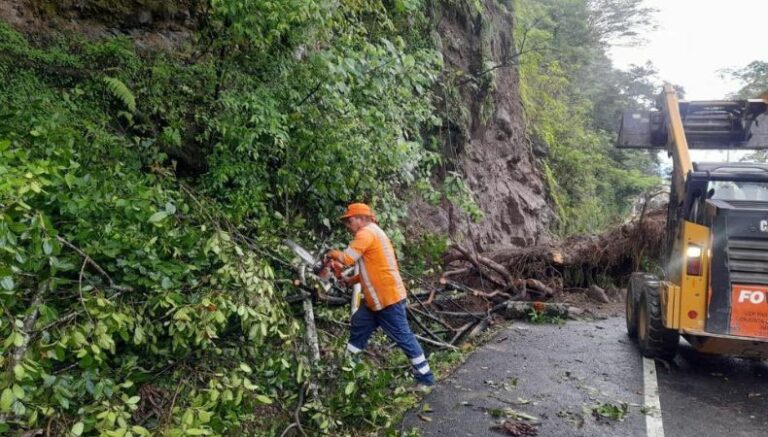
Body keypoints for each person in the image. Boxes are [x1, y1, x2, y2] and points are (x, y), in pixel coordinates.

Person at [325, 203, 435, 387]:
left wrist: (330, 253)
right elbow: (371, 270)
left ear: (360, 219)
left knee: (403, 337)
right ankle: (348, 369)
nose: (348, 226)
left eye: (350, 221)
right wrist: (349, 280)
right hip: (375, 301)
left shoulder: (366, 233)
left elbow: (347, 258)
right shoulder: (375, 233)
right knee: (358, 325)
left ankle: (426, 378)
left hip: (387, 299)